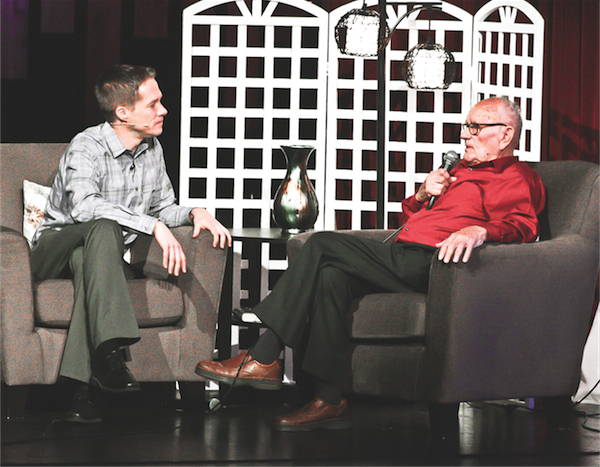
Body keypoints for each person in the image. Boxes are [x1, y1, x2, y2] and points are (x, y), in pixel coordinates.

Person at [195, 97, 546, 431]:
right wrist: (423, 195)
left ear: (505, 134)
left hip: (437, 265)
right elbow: (411, 220)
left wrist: (478, 229)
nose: (465, 135)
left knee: (320, 243)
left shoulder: (515, 177)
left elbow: (523, 227)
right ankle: (329, 400)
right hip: (405, 254)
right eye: (464, 127)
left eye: (475, 127)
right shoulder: (459, 172)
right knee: (331, 276)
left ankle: (264, 354)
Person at [30, 65, 232, 423]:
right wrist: (151, 225)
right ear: (123, 113)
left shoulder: (152, 149)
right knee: (101, 227)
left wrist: (194, 213)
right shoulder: (86, 146)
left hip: (98, 255)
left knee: (93, 259)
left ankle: (85, 392)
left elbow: (164, 206)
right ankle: (108, 354)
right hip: (55, 248)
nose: (163, 110)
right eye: (153, 104)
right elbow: (84, 207)